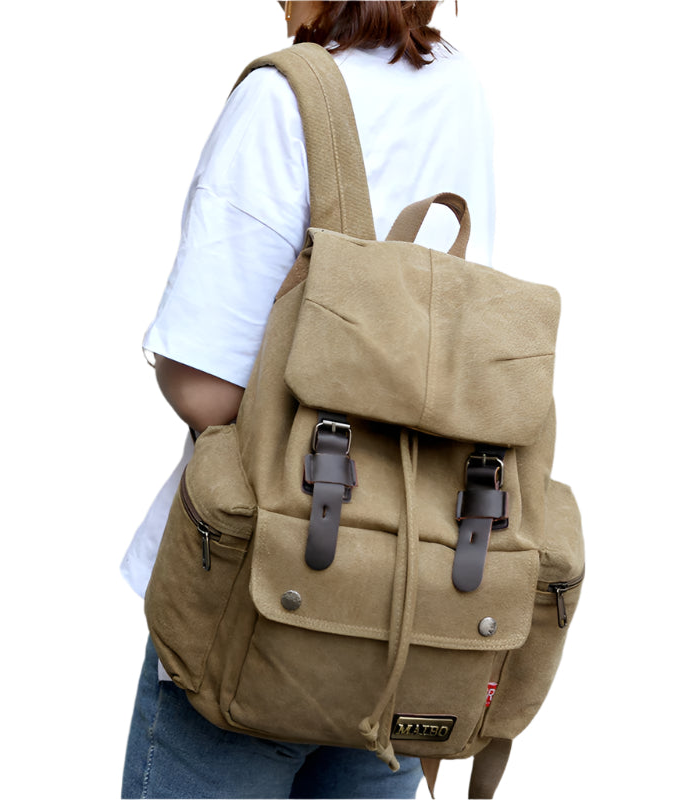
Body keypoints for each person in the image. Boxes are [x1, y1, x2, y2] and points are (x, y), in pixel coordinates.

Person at [120, 2, 495, 797]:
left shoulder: (285, 95)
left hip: (259, 599)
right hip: (403, 601)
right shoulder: (458, 85)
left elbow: (207, 390)